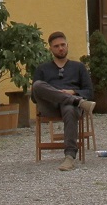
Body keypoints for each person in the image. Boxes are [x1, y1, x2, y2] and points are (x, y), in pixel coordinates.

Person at [30, 31, 95, 171]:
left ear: (67, 46)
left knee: (69, 107)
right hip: (50, 106)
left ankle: (69, 157)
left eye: (63, 45)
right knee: (37, 85)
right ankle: (76, 101)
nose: (60, 48)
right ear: (51, 49)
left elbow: (90, 92)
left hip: (70, 107)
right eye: (56, 46)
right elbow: (34, 97)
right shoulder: (42, 69)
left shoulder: (79, 67)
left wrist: (73, 92)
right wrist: (55, 94)